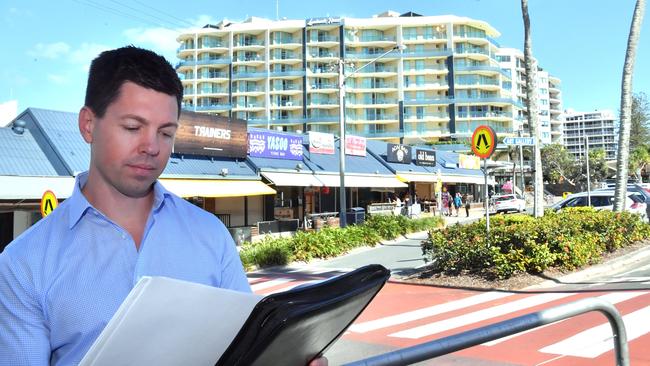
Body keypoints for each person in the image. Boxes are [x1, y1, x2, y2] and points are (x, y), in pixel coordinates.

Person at [0, 46, 326, 366]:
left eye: (166, 132)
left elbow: (244, 350)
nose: (152, 147)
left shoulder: (210, 234)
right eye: (132, 127)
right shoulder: (23, 264)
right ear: (88, 125)